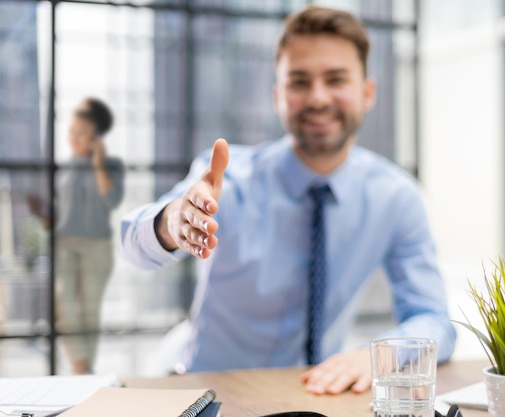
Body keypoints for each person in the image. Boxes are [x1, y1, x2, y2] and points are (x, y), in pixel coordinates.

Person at [120, 6, 456, 394]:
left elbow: (434, 320)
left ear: (367, 93)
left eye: (336, 80)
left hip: (317, 398)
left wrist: (377, 354)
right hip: (211, 396)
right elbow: (130, 244)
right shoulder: (225, 180)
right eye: (299, 82)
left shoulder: (396, 197)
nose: (317, 97)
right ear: (278, 95)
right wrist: (171, 221)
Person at [30, 97, 124, 374]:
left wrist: (98, 163)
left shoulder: (110, 165)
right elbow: (60, 215)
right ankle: (82, 371)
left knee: (89, 311)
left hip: (97, 245)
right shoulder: (65, 167)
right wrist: (41, 215)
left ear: (97, 137)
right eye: (72, 131)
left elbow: (112, 200)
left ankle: (82, 374)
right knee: (63, 305)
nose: (73, 138)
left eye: (81, 133)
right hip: (65, 243)